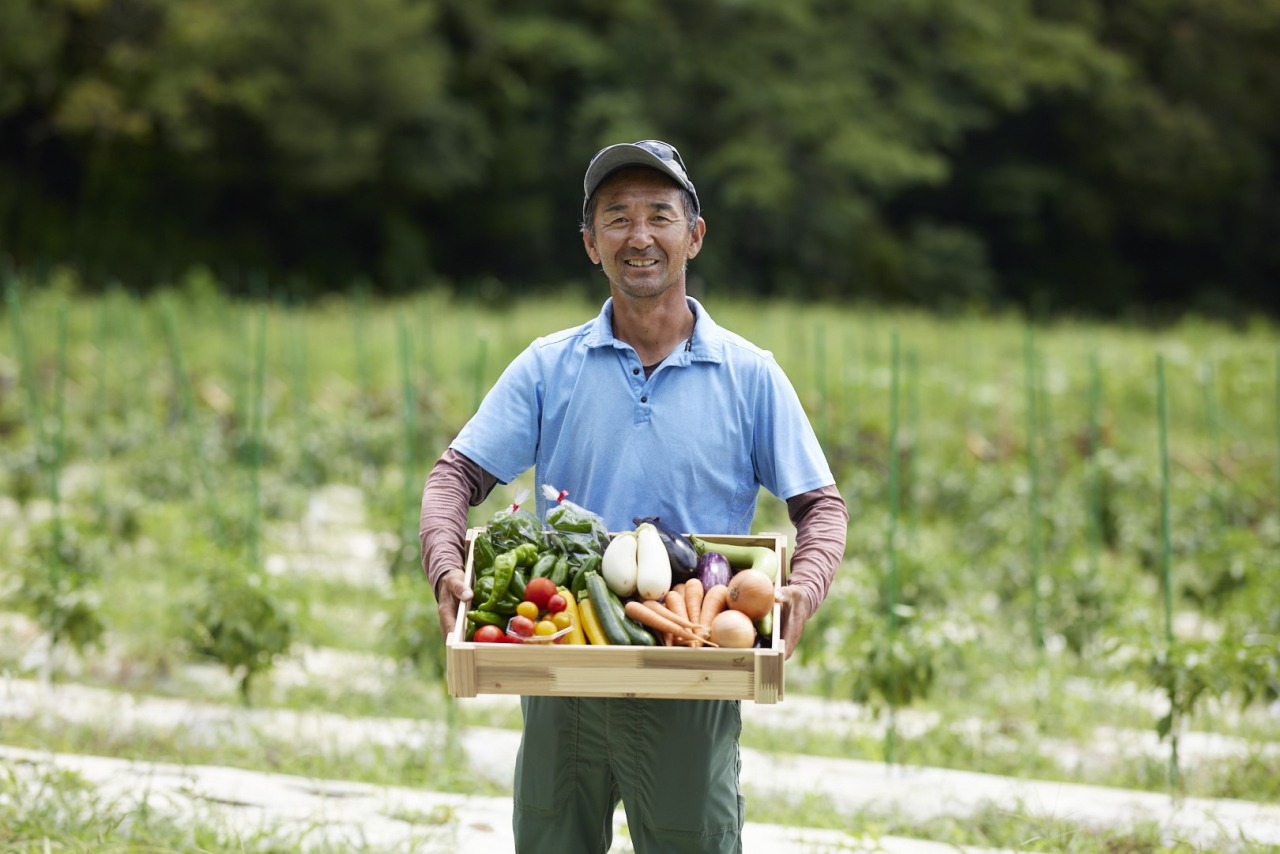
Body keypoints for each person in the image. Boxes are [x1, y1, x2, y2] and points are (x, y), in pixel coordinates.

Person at [419, 139, 848, 853]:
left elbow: (821, 507)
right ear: (591, 244)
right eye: (616, 218)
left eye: (659, 215)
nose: (639, 236)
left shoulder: (750, 375)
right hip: (563, 664)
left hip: (694, 669)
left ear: (694, 237)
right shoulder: (548, 367)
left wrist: (803, 588)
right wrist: (443, 564)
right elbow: (453, 476)